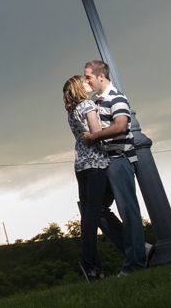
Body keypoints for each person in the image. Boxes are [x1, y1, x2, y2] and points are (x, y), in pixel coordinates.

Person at [82, 59, 148, 274]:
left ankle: (135, 263)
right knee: (95, 209)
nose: (87, 81)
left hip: (119, 160)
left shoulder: (117, 98)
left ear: (101, 76)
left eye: (89, 77)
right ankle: (138, 251)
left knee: (128, 211)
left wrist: (94, 136)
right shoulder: (96, 102)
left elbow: (121, 126)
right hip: (104, 162)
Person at [63, 75, 111, 281]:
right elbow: (97, 133)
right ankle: (91, 264)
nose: (87, 83)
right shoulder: (87, 105)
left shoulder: (72, 112)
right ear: (78, 88)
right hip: (96, 163)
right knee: (96, 212)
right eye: (84, 82)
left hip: (81, 165)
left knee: (89, 214)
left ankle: (93, 266)